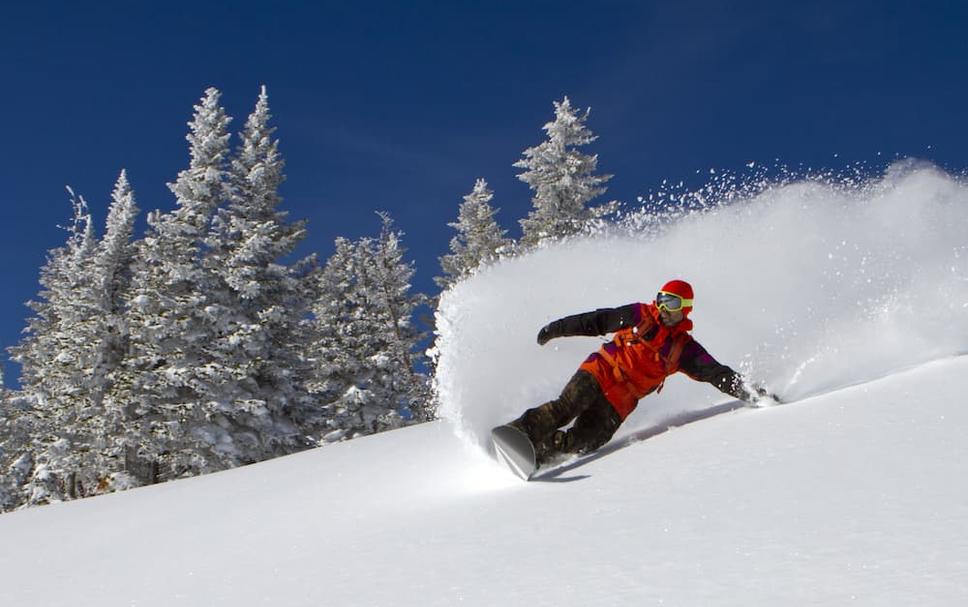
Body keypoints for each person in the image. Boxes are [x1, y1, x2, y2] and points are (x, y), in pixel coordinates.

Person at [507, 279, 778, 465]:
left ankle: (538, 456)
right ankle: (516, 433)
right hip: (601, 371)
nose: (662, 308)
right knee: (565, 407)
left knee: (587, 441)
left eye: (670, 304)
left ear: (684, 309)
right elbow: (597, 320)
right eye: (661, 299)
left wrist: (751, 393)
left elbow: (716, 373)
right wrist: (556, 329)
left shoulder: (684, 349)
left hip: (621, 400)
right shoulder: (639, 314)